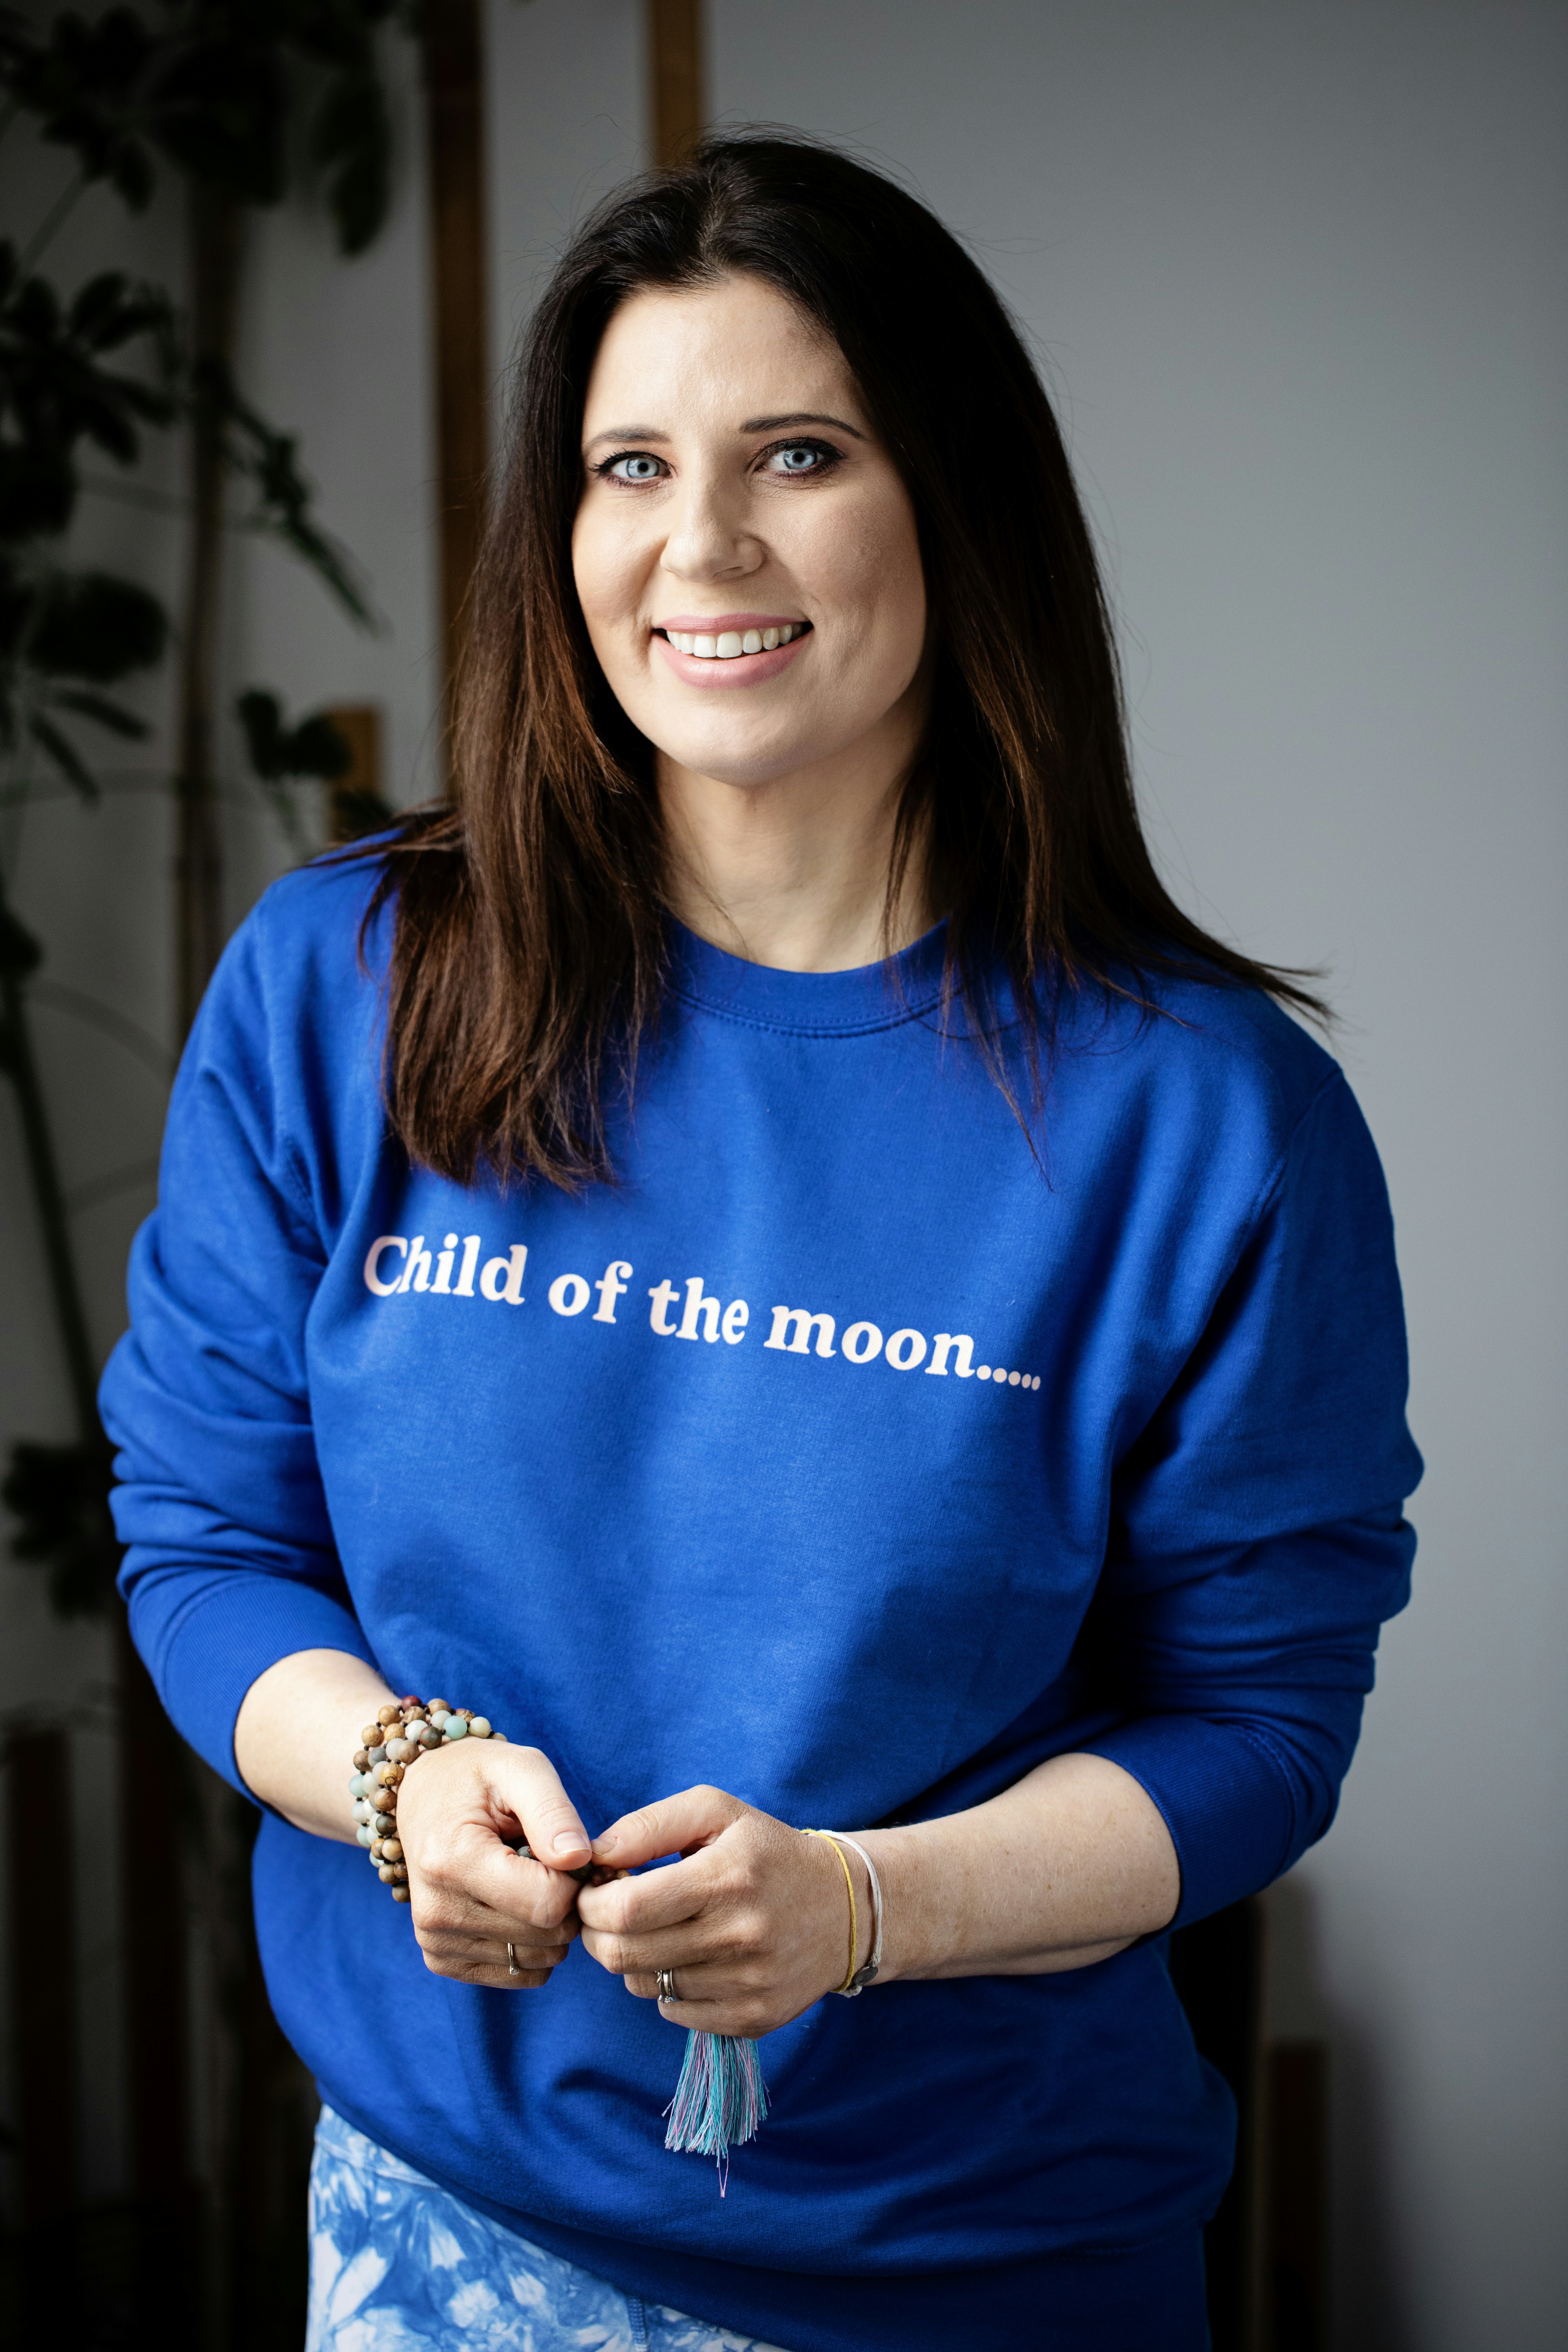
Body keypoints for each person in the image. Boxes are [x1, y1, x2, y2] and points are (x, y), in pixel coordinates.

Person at [102, 135, 1421, 2352]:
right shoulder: (346, 984)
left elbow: (1258, 1724)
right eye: (630, 465)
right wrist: (401, 1776)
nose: (699, 545)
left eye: (796, 452)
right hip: (437, 2241)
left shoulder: (1211, 1121)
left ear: (953, 506)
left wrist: (866, 1909)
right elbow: (205, 1538)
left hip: (976, 2273)